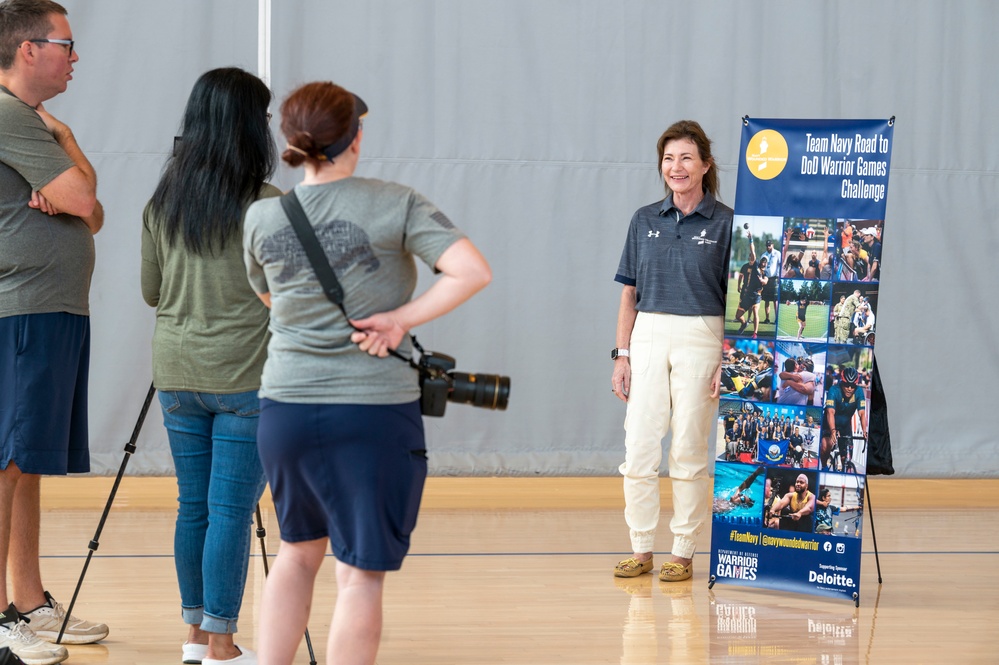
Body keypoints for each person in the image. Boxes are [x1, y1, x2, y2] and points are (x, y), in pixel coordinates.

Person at [244, 82, 491, 665]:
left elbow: (270, 299)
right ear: (354, 138)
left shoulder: (261, 216)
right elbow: (471, 272)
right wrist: (397, 320)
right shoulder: (394, 201)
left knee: (295, 554)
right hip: (373, 411)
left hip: (284, 408)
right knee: (358, 576)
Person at [141, 67, 280, 665]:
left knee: (192, 506)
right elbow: (294, 296)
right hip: (245, 378)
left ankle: (195, 639)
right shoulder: (268, 205)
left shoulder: (163, 202)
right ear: (249, 127)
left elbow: (152, 291)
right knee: (228, 510)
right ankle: (224, 646)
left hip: (175, 374)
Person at [0, 1, 108, 662]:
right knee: (7, 461)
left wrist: (66, 146)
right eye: (66, 44)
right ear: (29, 48)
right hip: (22, 311)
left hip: (53, 310)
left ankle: (28, 600)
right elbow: (85, 202)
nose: (74, 56)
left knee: (27, 463)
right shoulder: (8, 115)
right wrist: (70, 175)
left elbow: (89, 211)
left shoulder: (35, 124)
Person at [610, 120, 732, 583]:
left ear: (705, 165)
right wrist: (622, 354)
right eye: (668, 158)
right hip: (647, 335)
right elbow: (629, 293)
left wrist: (729, 357)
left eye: (685, 158)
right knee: (639, 446)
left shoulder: (727, 222)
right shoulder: (644, 219)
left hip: (703, 336)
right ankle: (640, 547)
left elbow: (741, 301)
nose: (676, 167)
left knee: (688, 448)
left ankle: (682, 551)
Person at [821, 367, 868, 472]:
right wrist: (832, 430)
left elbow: (862, 413)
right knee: (825, 446)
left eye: (853, 386)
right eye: (847, 385)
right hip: (829, 423)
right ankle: (824, 466)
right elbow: (830, 412)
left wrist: (864, 431)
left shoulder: (859, 392)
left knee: (846, 457)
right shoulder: (834, 390)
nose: (850, 388)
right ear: (842, 382)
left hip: (845, 425)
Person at [732, 238, 768, 338]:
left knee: (755, 311)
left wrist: (762, 281)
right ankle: (744, 324)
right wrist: (750, 240)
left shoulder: (766, 272)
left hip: (757, 295)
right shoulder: (755, 266)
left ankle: (755, 333)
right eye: (762, 261)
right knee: (738, 316)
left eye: (765, 262)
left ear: (767, 263)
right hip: (747, 295)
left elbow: (766, 281)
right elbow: (753, 251)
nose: (763, 263)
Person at [759, 238, 781, 323]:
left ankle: (777, 319)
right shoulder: (763, 255)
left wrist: (779, 276)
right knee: (766, 299)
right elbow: (761, 268)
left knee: (775, 299)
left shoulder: (777, 253)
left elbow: (779, 265)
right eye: (767, 245)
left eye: (769, 245)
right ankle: (767, 318)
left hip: (775, 278)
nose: (768, 247)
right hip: (766, 278)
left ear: (773, 245)